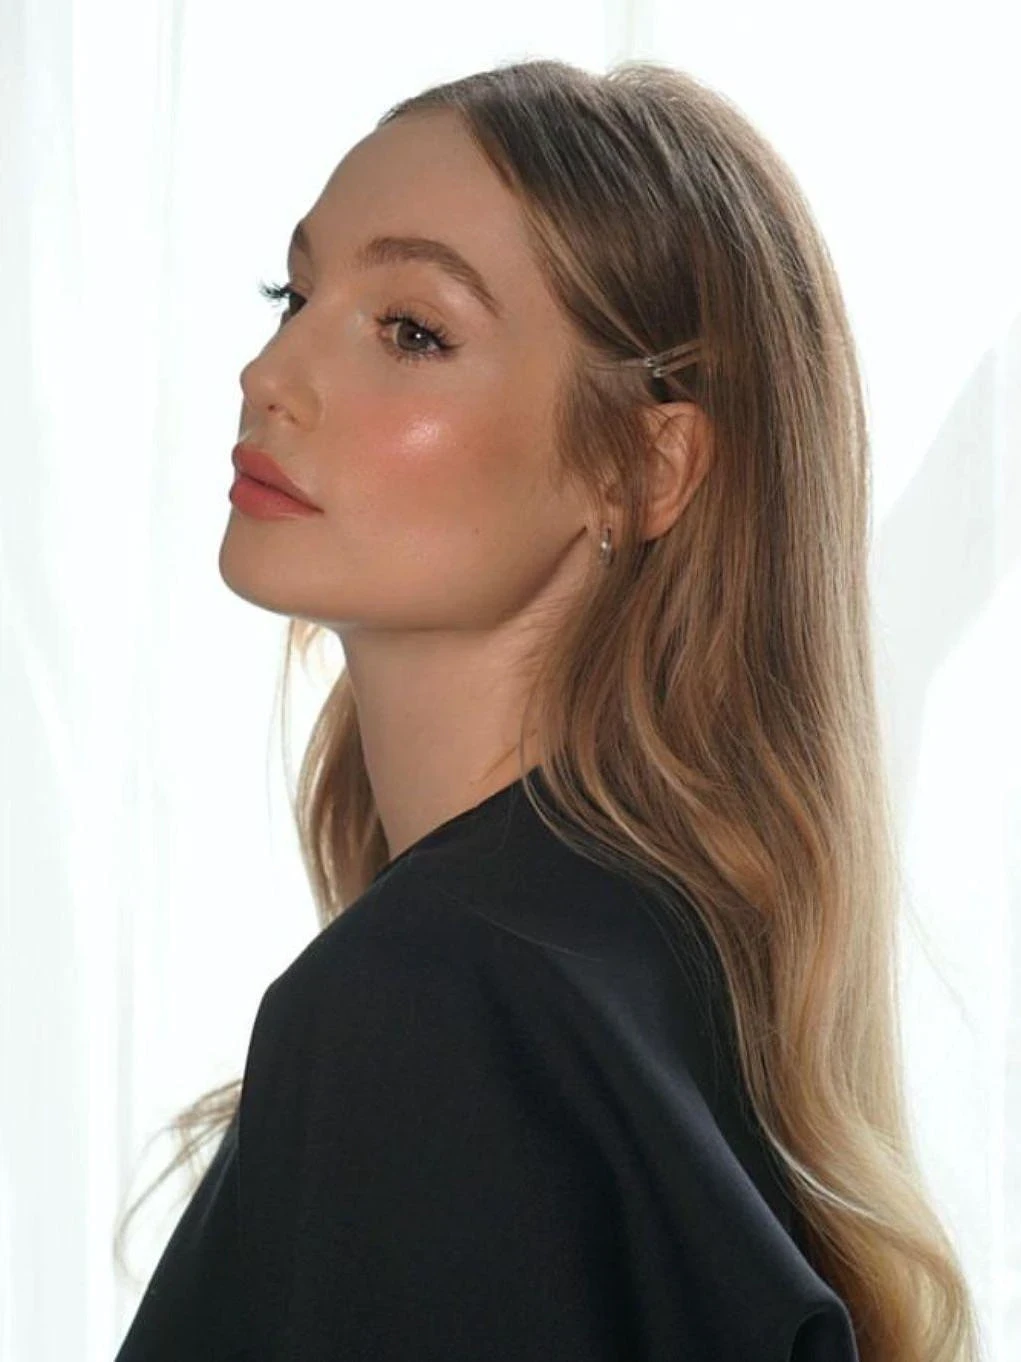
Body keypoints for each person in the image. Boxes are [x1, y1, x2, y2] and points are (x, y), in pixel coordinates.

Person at [112, 57, 981, 1362]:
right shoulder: (646, 982)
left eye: (412, 331)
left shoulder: (434, 1000)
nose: (270, 370)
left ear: (644, 465)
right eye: (292, 294)